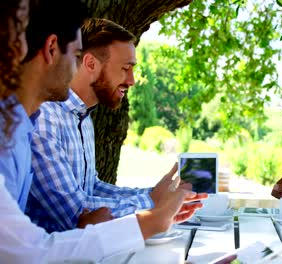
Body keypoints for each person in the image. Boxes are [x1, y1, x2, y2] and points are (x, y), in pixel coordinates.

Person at [0, 0, 206, 263]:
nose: (131, 80)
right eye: (75, 57)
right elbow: (61, 226)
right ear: (52, 50)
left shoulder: (45, 121)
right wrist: (153, 211)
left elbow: (90, 191)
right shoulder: (37, 123)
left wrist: (152, 198)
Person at [26, 18, 184, 232]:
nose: (132, 80)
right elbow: (75, 212)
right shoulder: (45, 117)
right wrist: (154, 204)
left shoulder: (83, 118)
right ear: (90, 64)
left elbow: (92, 187)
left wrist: (155, 194)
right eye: (125, 68)